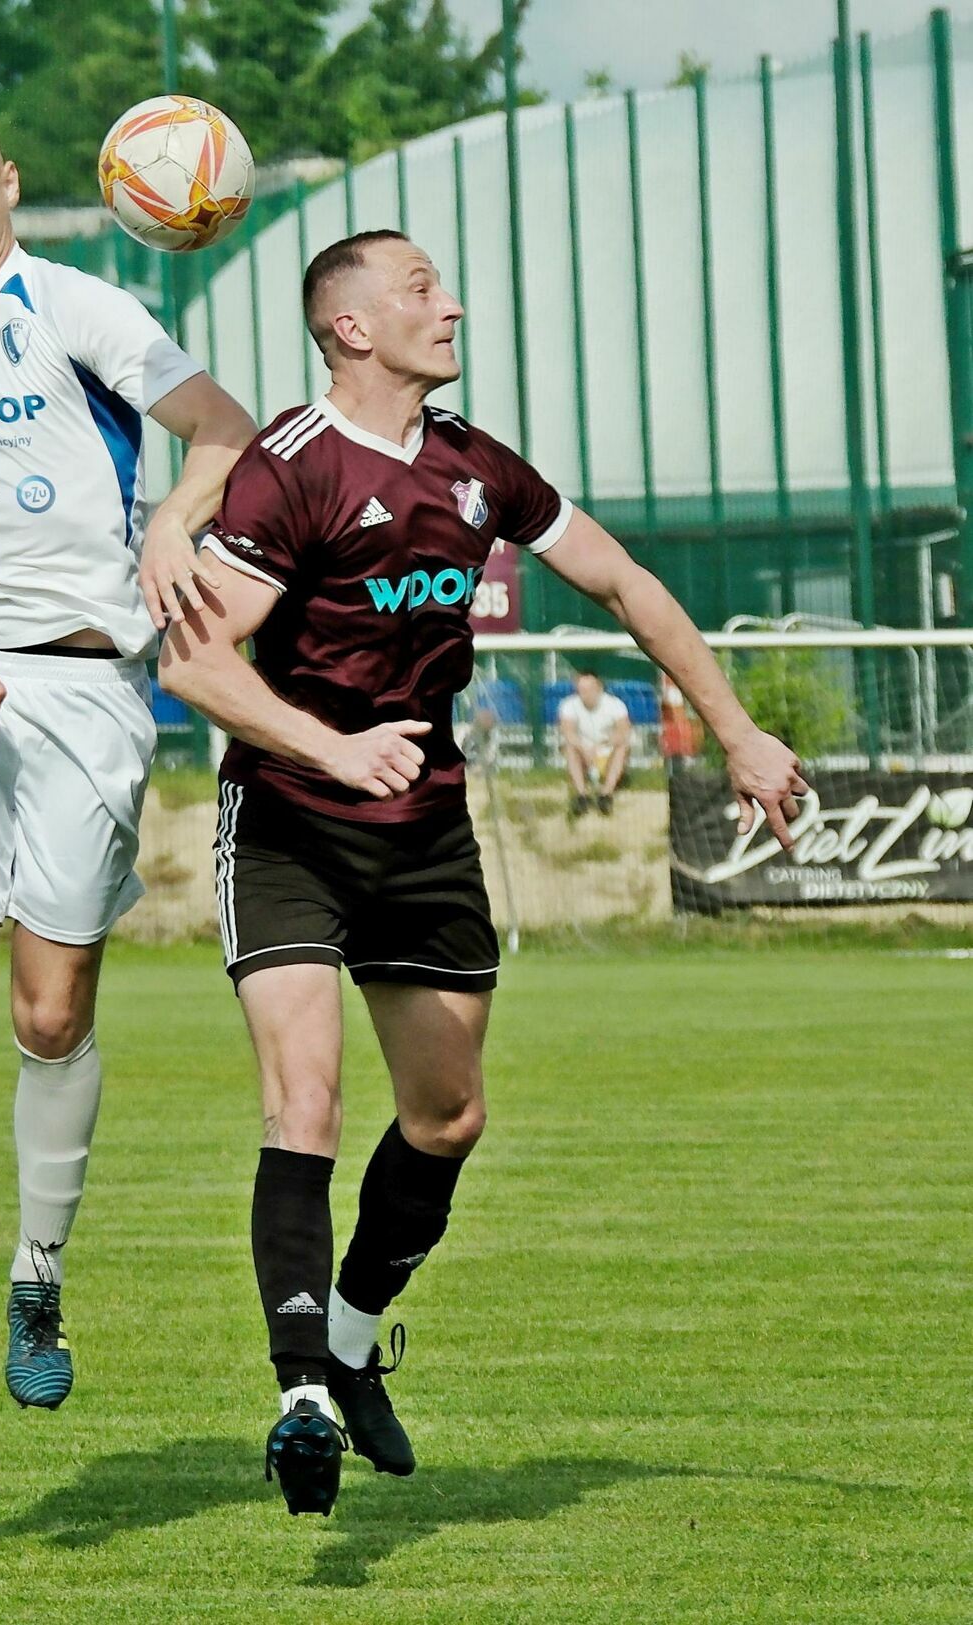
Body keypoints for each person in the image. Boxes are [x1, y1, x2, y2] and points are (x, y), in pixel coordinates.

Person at [156, 229, 808, 1516]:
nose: (449, 307)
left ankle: (351, 1335)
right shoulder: (289, 468)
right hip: (290, 816)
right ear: (348, 327)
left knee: (449, 1117)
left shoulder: (473, 464)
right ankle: (299, 1396)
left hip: (424, 826)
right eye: (419, 290)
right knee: (306, 1100)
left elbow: (619, 578)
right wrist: (334, 750)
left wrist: (736, 730)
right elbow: (194, 665)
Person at [0, 104, 254, 1449]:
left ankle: (37, 1278)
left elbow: (224, 428)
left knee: (52, 1007)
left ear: (7, 185)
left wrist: (169, 530)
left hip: (86, 689)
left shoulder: (81, 308)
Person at [559, 668, 631, 816]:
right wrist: (583, 748)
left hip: (606, 751)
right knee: (570, 748)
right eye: (581, 689)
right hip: (583, 752)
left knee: (622, 747)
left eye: (588, 689)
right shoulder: (569, 705)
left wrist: (603, 745)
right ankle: (582, 795)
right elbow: (568, 731)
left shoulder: (615, 704)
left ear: (599, 688)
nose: (584, 694)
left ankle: (606, 795)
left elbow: (623, 731)